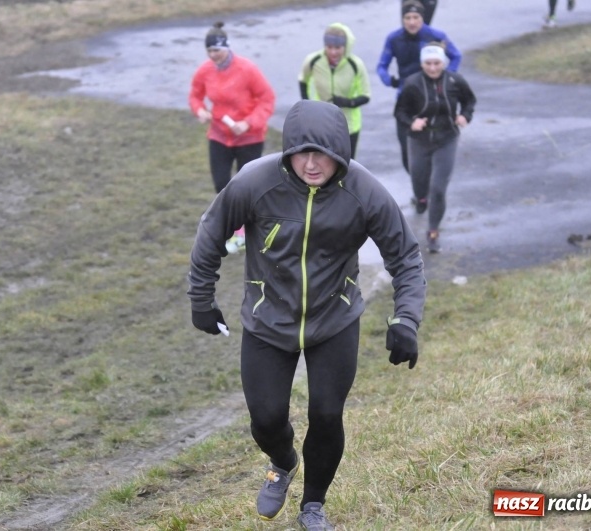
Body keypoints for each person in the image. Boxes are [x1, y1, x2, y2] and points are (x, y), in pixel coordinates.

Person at [188, 99, 426, 529]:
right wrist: (200, 299)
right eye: (303, 152)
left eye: (324, 155)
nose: (312, 164)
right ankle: (283, 461)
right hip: (267, 321)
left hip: (333, 319)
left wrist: (406, 319)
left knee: (327, 414)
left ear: (341, 154)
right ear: (288, 151)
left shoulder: (364, 191)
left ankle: (313, 505)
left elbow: (405, 257)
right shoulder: (255, 182)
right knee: (266, 418)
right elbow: (211, 232)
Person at [189, 21, 275, 254]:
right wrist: (200, 111)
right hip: (219, 135)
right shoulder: (205, 71)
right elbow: (195, 96)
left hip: (249, 137)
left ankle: (244, 232)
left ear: (226, 47)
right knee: (221, 183)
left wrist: (248, 123)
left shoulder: (247, 69)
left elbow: (267, 99)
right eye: (209, 51)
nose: (213, 56)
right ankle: (233, 226)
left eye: (216, 50)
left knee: (245, 187)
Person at [394, 43, 476, 254]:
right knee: (419, 181)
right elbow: (400, 111)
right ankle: (420, 199)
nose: (432, 68)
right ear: (422, 63)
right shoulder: (412, 83)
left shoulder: (455, 81)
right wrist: (412, 122)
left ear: (444, 62)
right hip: (419, 140)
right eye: (428, 63)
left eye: (436, 63)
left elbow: (469, 101)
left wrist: (464, 116)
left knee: (438, 189)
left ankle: (432, 232)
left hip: (447, 138)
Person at [376, 0, 461, 186]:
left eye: (416, 17)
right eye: (407, 17)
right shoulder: (394, 38)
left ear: (423, 18)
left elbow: (456, 56)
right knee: (407, 154)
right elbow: (381, 66)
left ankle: (427, 190)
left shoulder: (436, 35)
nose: (412, 22)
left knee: (432, 146)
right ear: (402, 19)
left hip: (432, 100)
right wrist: (390, 80)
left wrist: (446, 77)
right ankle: (421, 186)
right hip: (405, 101)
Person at [298, 23, 371, 159]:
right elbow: (303, 80)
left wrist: (347, 102)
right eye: (329, 47)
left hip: (349, 125)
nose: (333, 52)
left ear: (345, 46)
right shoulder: (313, 60)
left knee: (345, 166)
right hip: (320, 122)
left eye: (338, 47)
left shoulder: (356, 64)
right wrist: (307, 104)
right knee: (322, 163)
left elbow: (366, 95)